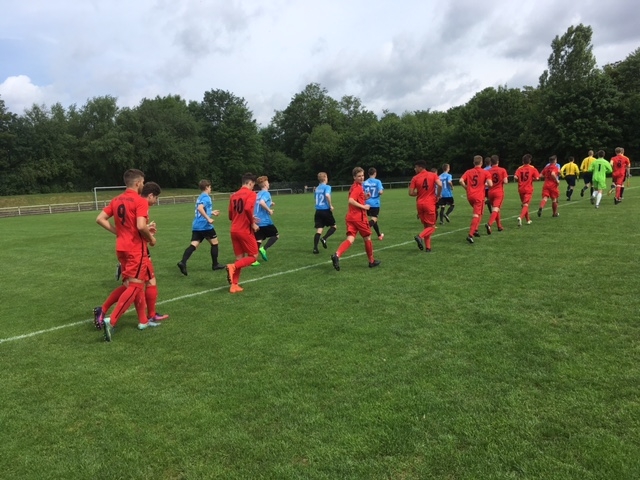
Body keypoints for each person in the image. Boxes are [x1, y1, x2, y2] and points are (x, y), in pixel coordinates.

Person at [94, 182, 168, 332]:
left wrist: (127, 232)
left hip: (122, 247)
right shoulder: (140, 202)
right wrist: (151, 238)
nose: (156, 201)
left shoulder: (117, 199)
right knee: (139, 284)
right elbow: (139, 227)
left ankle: (143, 320)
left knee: (134, 284)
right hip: (136, 249)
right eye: (156, 198)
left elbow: (104, 219)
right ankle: (112, 317)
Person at [330, 167, 381, 271]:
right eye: (359, 176)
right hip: (359, 218)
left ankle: (337, 254)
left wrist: (365, 197)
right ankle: (371, 261)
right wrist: (364, 207)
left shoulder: (354, 186)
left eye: (362, 175)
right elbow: (351, 200)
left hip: (350, 217)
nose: (361, 178)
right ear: (354, 177)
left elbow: (356, 198)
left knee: (350, 239)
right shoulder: (358, 187)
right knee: (367, 238)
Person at [177, 179, 225, 276]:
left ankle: (183, 262)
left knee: (194, 245)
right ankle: (215, 265)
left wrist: (212, 212)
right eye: (210, 187)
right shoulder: (206, 197)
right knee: (215, 243)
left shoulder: (200, 197)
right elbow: (200, 208)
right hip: (205, 226)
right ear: (206, 187)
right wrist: (208, 218)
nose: (211, 189)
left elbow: (202, 209)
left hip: (197, 225)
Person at [226, 173, 260, 293]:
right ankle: (232, 266)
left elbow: (231, 216)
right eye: (253, 185)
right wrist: (252, 223)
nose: (253, 187)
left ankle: (234, 285)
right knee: (254, 256)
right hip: (244, 231)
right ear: (250, 183)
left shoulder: (233, 195)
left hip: (234, 230)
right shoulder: (251, 194)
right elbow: (246, 208)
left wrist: (247, 218)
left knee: (239, 258)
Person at [409, 160, 442, 252]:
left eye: (416, 167)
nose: (415, 169)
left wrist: (419, 193)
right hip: (429, 204)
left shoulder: (415, 178)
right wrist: (438, 195)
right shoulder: (433, 175)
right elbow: (440, 185)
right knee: (432, 227)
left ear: (420, 167)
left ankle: (428, 248)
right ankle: (420, 236)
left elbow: (410, 193)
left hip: (420, 204)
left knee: (426, 227)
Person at [459, 155, 492, 244]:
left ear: (474, 163)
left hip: (470, 196)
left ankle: (476, 230)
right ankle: (470, 235)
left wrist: (466, 188)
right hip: (479, 196)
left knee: (480, 212)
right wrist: (485, 184)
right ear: (481, 163)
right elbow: (490, 184)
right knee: (476, 215)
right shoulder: (485, 172)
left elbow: (461, 180)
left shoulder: (468, 171)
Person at [252, 175, 278, 265]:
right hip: (265, 220)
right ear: (266, 184)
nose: (269, 184)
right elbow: (261, 202)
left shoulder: (258, 194)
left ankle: (254, 260)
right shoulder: (266, 193)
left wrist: (270, 203)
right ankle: (264, 249)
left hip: (256, 220)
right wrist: (269, 210)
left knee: (259, 239)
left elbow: (258, 204)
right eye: (268, 182)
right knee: (276, 235)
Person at [313, 172, 337, 254]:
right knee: (334, 226)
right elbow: (327, 195)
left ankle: (315, 248)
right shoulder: (327, 187)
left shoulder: (317, 188)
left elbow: (315, 198)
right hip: (325, 210)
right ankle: (324, 238)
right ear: (325, 178)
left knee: (319, 229)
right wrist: (330, 205)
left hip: (318, 211)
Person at [514, 154, 540, 226]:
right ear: (530, 161)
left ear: (523, 161)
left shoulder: (519, 168)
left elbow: (515, 177)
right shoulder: (532, 168)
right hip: (528, 189)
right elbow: (537, 178)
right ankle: (520, 217)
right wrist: (532, 179)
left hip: (521, 189)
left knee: (524, 204)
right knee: (526, 204)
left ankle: (528, 220)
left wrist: (519, 180)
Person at [486, 155, 508, 233]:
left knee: (496, 209)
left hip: (490, 192)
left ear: (491, 162)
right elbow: (505, 181)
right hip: (499, 192)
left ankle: (499, 226)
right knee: (496, 209)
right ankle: (489, 224)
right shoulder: (502, 170)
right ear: (498, 162)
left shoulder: (488, 171)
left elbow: (486, 183)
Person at [363, 167, 384, 240]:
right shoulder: (378, 181)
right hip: (375, 203)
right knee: (374, 219)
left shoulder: (365, 182)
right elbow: (381, 192)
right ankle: (364, 228)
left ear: (368, 174)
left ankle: (379, 235)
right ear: (375, 173)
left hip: (366, 203)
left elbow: (362, 192)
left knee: (374, 220)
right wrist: (379, 192)